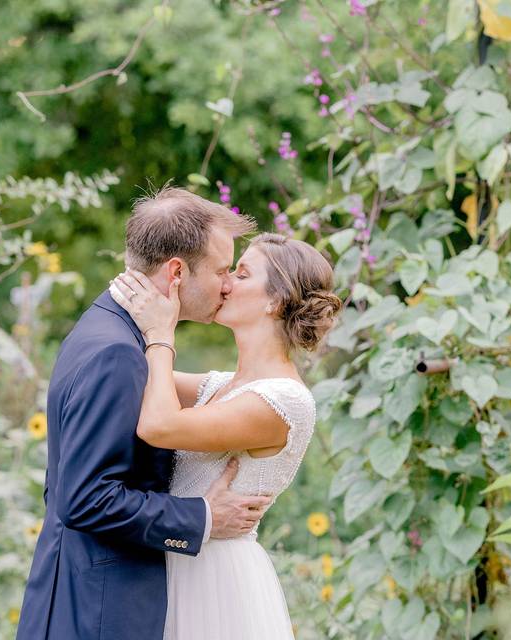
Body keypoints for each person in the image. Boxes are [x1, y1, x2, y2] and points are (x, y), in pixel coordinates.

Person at [15, 186, 268, 640]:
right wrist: (203, 517)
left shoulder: (111, 331)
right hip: (96, 612)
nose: (227, 284)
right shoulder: (116, 354)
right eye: (221, 270)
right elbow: (85, 498)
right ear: (176, 272)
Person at [109, 231, 342, 640]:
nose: (225, 282)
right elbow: (133, 374)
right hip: (177, 562)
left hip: (215, 583)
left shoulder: (281, 402)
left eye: (243, 273)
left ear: (276, 301)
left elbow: (159, 425)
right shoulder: (221, 386)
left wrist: (161, 333)